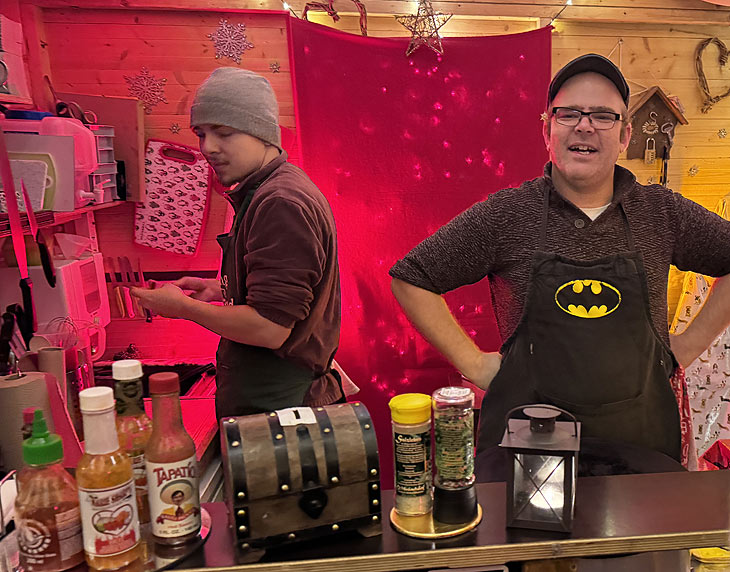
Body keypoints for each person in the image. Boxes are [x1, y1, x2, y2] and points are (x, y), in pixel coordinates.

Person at [389, 54, 730, 480]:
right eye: (568, 113)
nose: (584, 125)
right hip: (524, 461)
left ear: (625, 135)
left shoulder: (661, 213)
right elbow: (412, 277)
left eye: (603, 116)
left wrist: (690, 343)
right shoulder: (508, 214)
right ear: (546, 128)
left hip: (640, 459)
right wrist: (474, 363)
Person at [132, 68, 343, 418]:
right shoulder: (268, 190)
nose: (207, 148)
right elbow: (281, 296)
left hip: (280, 412)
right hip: (270, 404)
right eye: (201, 133)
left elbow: (271, 328)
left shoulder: (280, 203)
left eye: (225, 133)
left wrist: (184, 309)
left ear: (262, 133)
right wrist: (222, 290)